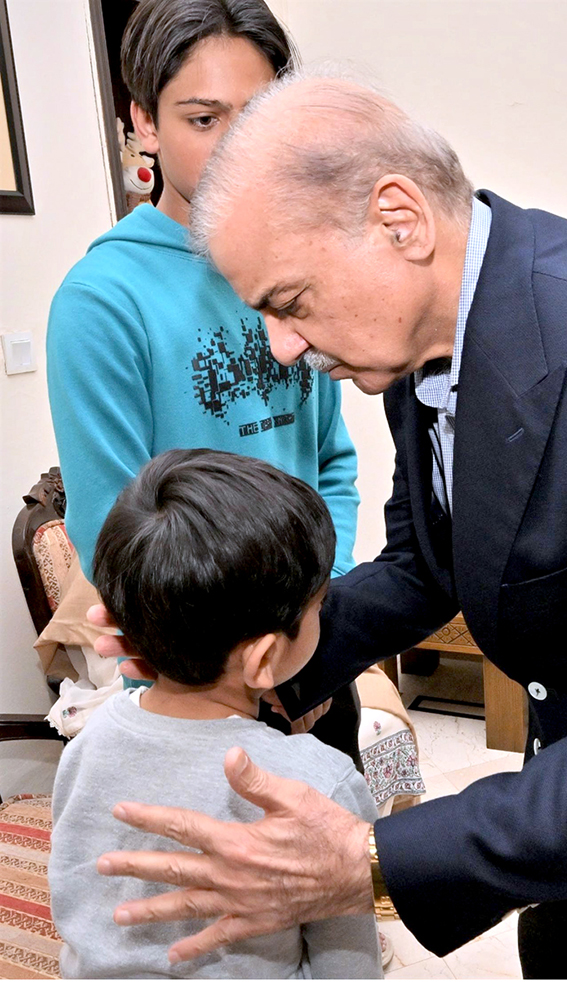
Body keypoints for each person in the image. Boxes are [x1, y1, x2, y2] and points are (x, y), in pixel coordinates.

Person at [92, 72, 567, 978]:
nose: (284, 348)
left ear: (399, 220)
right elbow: (429, 567)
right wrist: (227, 638)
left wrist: (371, 862)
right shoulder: (421, 348)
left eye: (290, 301)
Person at [46, 0, 361, 761]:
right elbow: (111, 534)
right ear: (145, 124)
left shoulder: (299, 264)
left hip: (312, 652)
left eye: (255, 119)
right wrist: (237, 679)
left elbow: (334, 467)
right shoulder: (102, 299)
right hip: (193, 688)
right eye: (202, 118)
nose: (234, 148)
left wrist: (316, 637)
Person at [49, 448, 383, 980]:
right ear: (265, 658)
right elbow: (349, 967)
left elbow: (77, 902)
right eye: (320, 605)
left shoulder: (88, 741)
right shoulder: (319, 782)